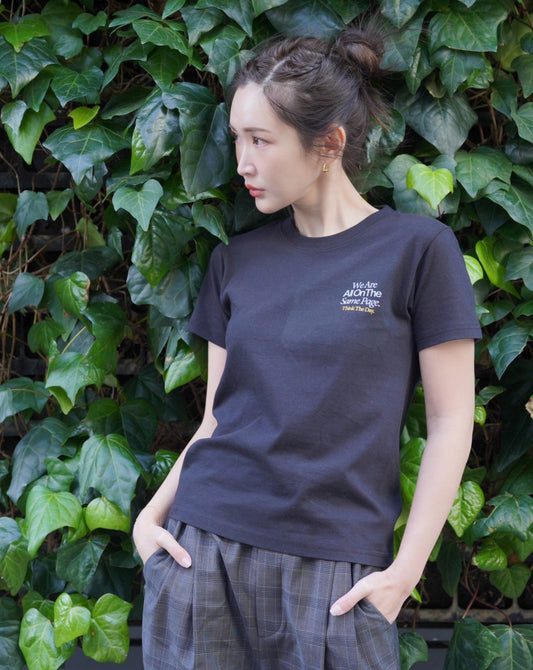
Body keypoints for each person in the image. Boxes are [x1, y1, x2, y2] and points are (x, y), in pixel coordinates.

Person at [133, 23, 481, 670]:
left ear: (329, 144)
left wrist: (402, 575)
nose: (242, 162)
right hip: (202, 555)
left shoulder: (418, 252)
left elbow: (450, 422)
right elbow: (215, 420)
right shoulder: (235, 262)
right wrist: (148, 520)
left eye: (261, 140)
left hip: (337, 577)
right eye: (237, 138)